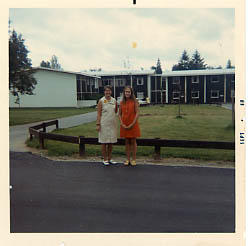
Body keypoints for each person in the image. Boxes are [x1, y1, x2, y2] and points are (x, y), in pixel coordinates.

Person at [119, 86, 141, 166]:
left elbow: (137, 113)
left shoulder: (135, 102)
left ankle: (134, 159)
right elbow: (119, 114)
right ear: (124, 93)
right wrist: (122, 123)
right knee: (127, 142)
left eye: (128, 92)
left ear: (131, 93)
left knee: (133, 141)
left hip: (133, 124)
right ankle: (127, 159)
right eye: (126, 92)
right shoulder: (121, 102)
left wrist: (132, 124)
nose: (127, 93)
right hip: (124, 124)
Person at [96, 85, 118, 165]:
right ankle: (105, 159)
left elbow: (115, 111)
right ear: (104, 92)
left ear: (111, 92)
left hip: (112, 124)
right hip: (104, 124)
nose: (108, 92)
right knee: (104, 142)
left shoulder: (114, 100)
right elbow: (98, 114)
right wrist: (98, 124)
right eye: (106, 90)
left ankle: (110, 158)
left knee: (111, 142)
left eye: (109, 90)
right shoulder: (101, 101)